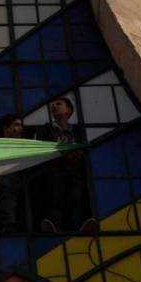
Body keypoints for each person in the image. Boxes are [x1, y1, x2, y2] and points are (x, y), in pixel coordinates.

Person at [32, 96, 91, 232]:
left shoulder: (77, 130)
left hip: (75, 171)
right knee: (55, 199)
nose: (54, 106)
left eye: (59, 104)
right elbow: (40, 148)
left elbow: (86, 148)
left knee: (76, 199)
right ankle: (55, 228)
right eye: (52, 105)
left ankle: (78, 228)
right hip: (54, 171)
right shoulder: (45, 129)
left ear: (69, 110)